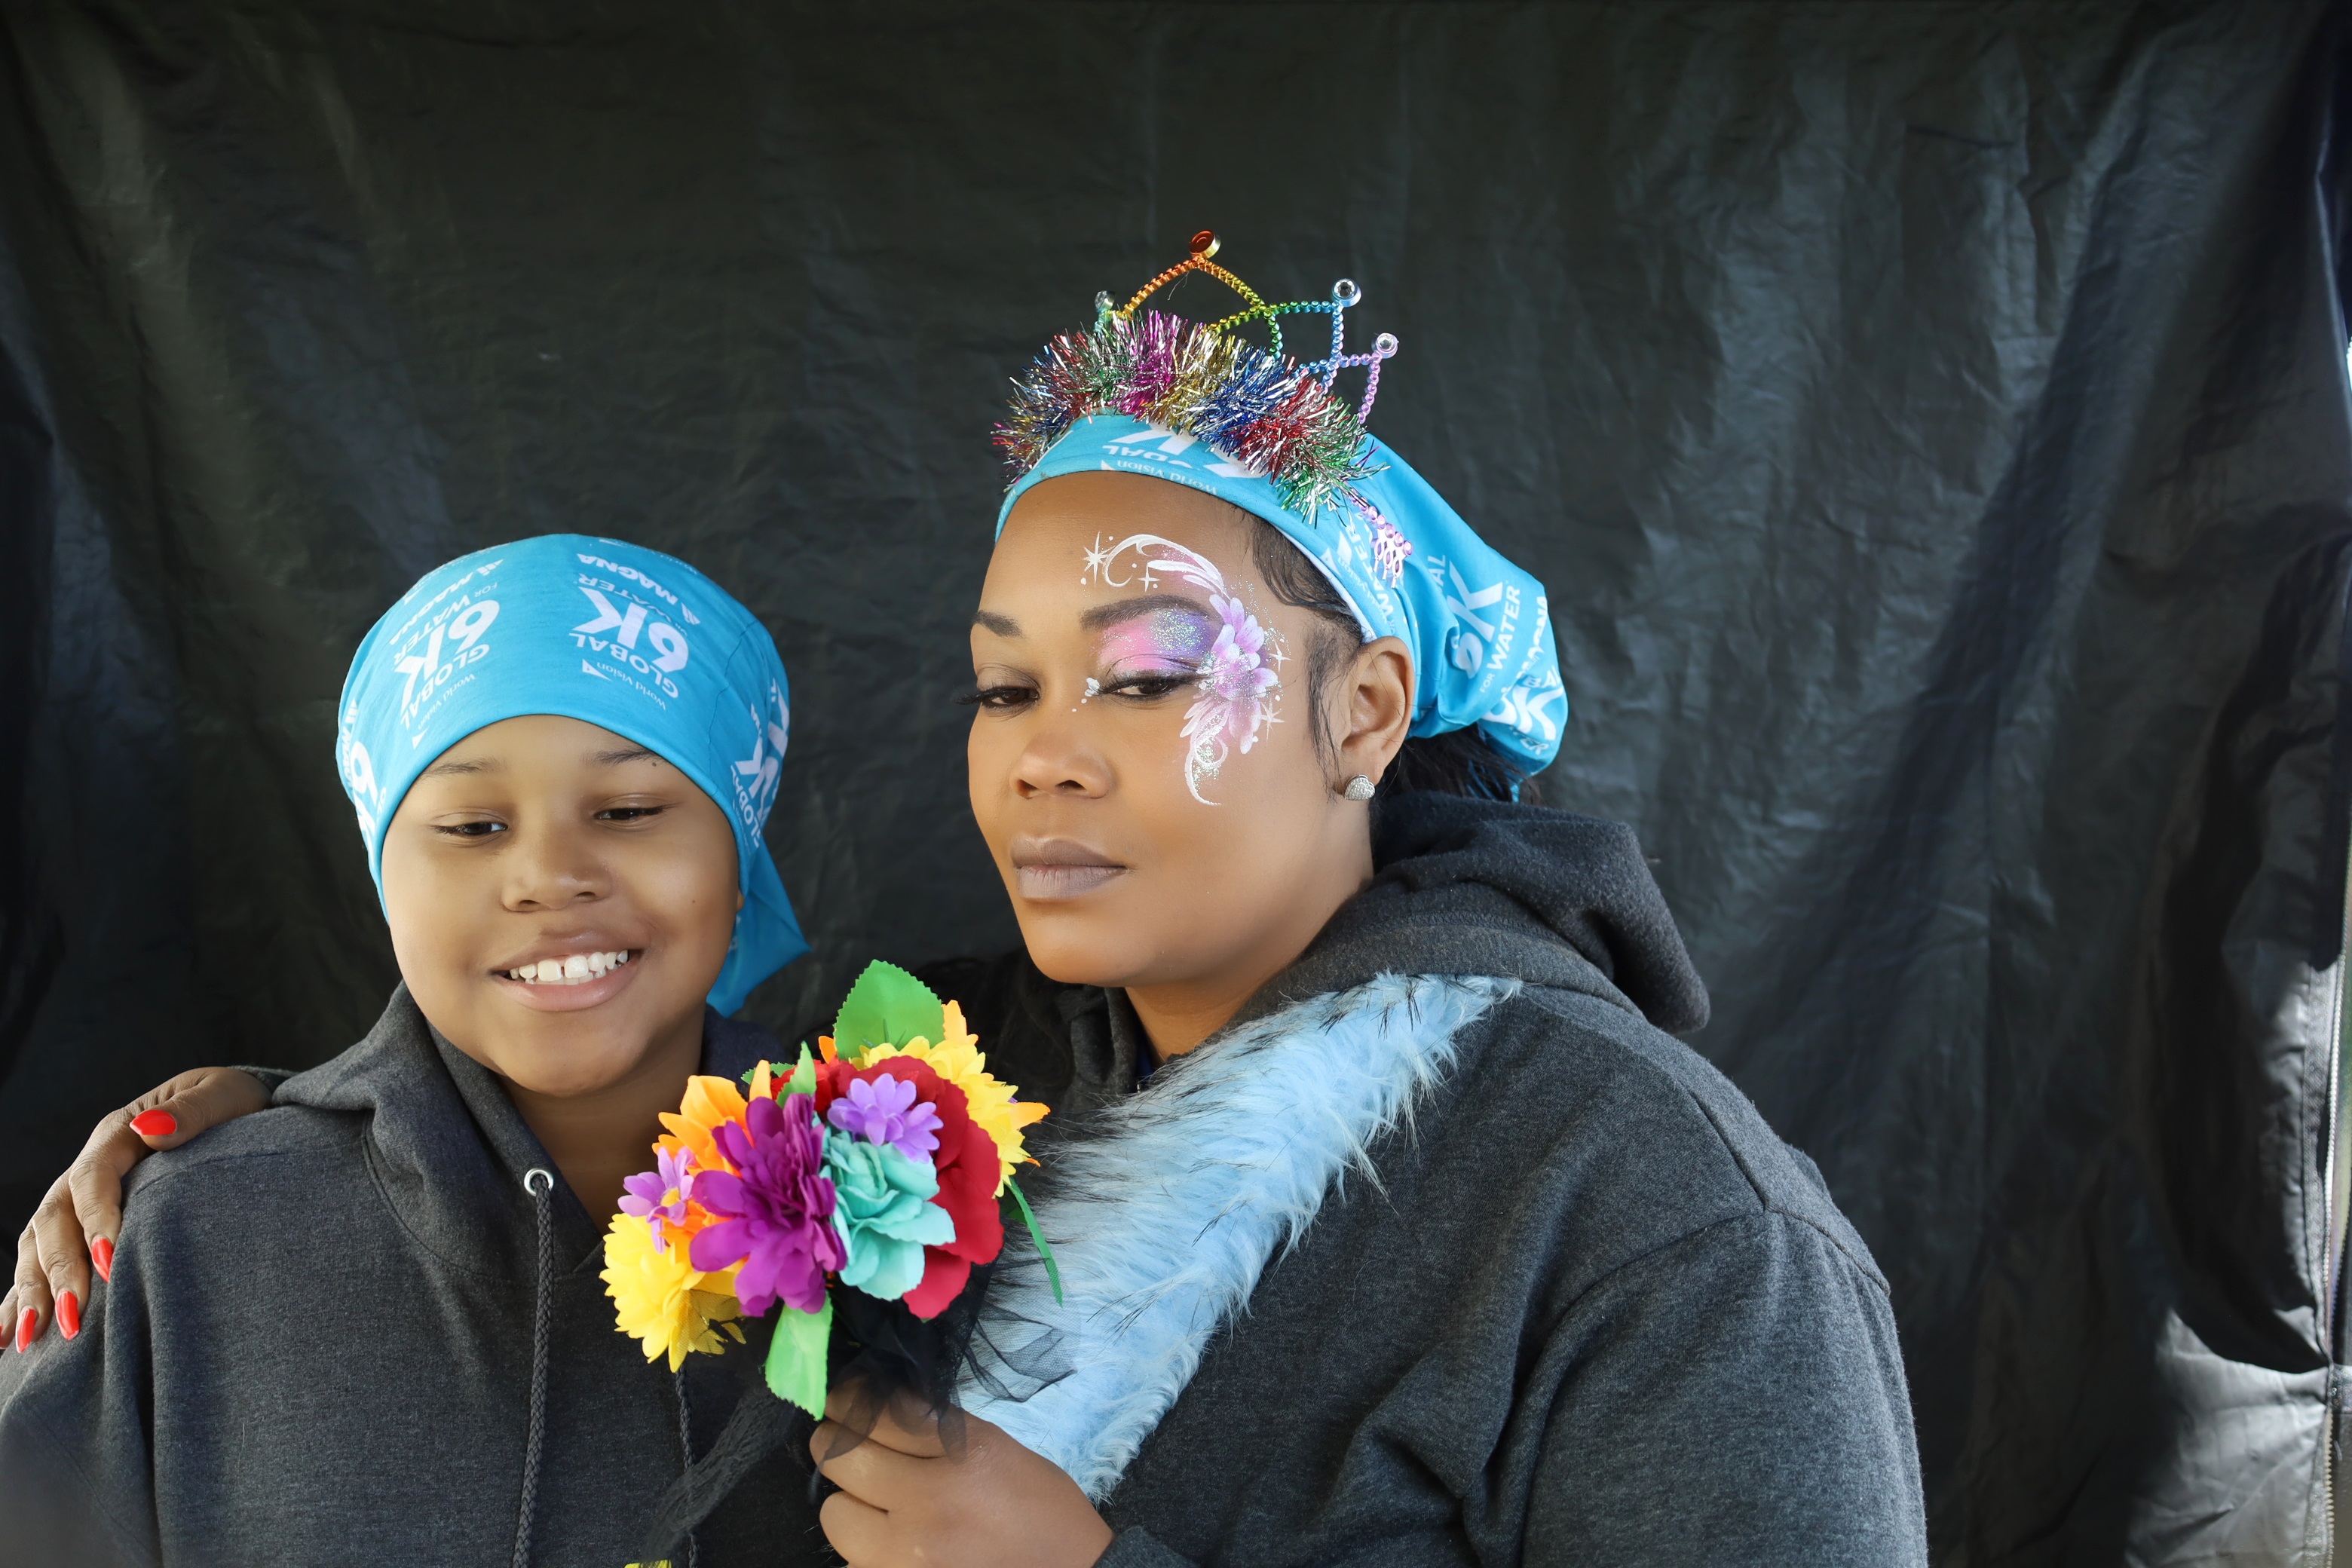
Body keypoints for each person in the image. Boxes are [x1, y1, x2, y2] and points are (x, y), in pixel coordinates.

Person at [12, 238, 1930, 1566]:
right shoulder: (934, 1076)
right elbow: (589, 1048)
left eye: (1148, 675)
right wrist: (254, 1130)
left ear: (1363, 709)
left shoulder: (1657, 1215)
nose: (1042, 757)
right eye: (1006, 687)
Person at [0, 534, 829, 1565]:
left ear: (738, 859)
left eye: (628, 810)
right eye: (473, 826)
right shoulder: (181, 1244)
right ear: (384, 879)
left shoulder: (912, 1222)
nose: (548, 876)